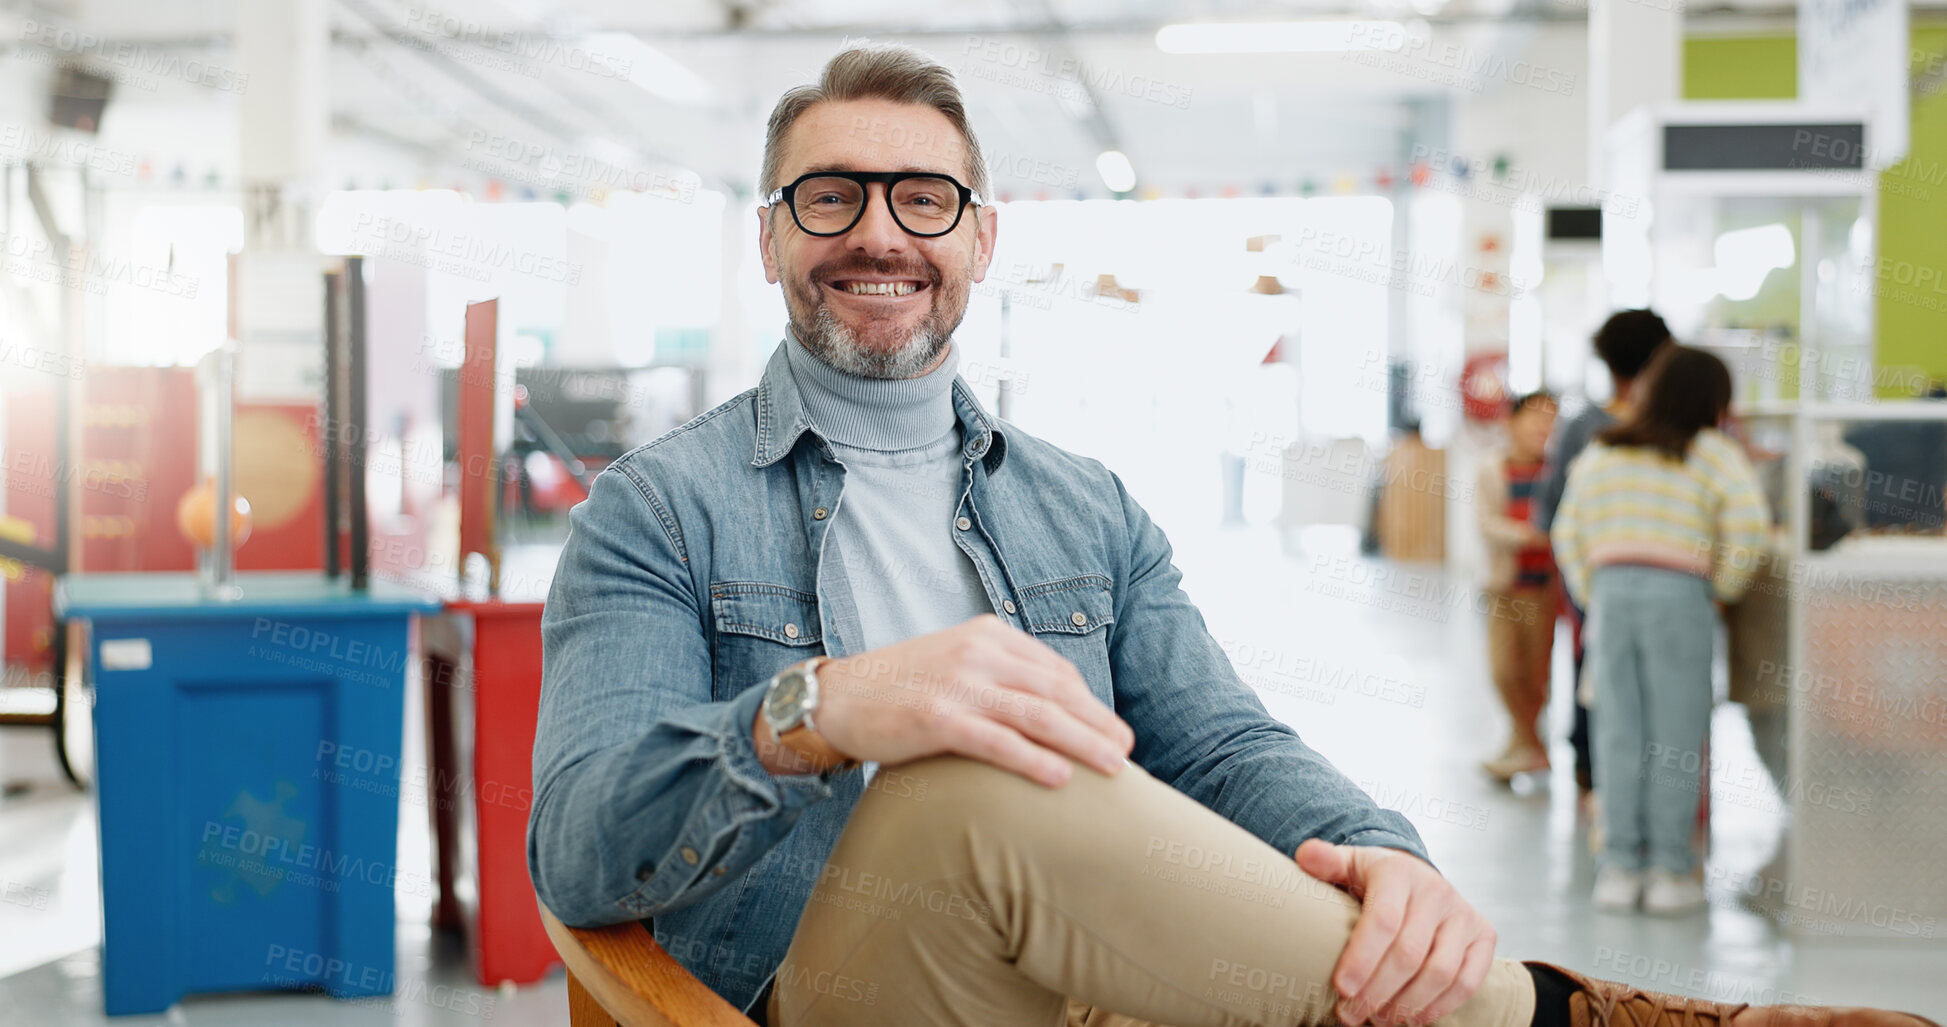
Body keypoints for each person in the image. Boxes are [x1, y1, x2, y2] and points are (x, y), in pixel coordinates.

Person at [529, 44, 1936, 1027]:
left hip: (1088, 976)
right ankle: (1561, 1016)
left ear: (981, 238)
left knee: (1332, 910)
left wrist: (1387, 855)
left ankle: (1510, 1002)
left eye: (923, 197)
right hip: (821, 976)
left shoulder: (1076, 502)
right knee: (962, 786)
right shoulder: (655, 511)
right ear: (770, 238)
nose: (876, 232)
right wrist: (822, 703)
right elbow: (579, 839)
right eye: (827, 196)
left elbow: (1219, 743)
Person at [1550, 346, 1771, 915]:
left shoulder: (1604, 450)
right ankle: (1671, 871)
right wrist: (1720, 589)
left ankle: (1619, 869)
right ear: (1712, 400)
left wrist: (1593, 591)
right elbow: (1750, 529)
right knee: (1676, 738)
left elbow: (1565, 530)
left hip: (1613, 596)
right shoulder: (1713, 454)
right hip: (1681, 597)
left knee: (1616, 734)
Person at [1530, 310, 1673, 794]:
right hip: (1674, 584)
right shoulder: (1680, 427)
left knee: (1592, 668)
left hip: (1592, 579)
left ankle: (1593, 775)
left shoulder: (1583, 428)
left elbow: (1551, 512)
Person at [1476, 391, 1559, 782]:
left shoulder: (1558, 470)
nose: (1543, 427)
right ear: (1511, 422)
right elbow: (1486, 523)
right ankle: (1531, 746)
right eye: (1536, 418)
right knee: (1503, 670)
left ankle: (1521, 745)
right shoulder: (1492, 469)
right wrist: (1528, 537)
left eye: (1551, 419)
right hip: (1503, 586)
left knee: (1535, 674)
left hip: (1544, 589)